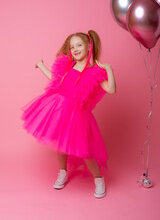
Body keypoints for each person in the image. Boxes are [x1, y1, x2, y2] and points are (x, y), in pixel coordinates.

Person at [21, 30, 116, 198]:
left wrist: (108, 69)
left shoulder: (95, 71)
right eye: (72, 47)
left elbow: (111, 89)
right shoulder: (69, 66)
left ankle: (98, 179)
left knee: (85, 150)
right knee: (60, 143)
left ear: (89, 47)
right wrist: (41, 65)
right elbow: (54, 81)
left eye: (79, 45)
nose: (75, 49)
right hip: (60, 109)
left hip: (79, 115)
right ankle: (63, 172)